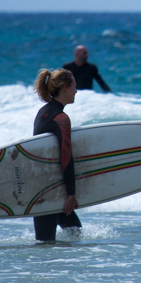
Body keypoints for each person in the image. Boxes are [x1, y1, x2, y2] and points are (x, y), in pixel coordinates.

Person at [32, 67, 83, 241]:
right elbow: (66, 157)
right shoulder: (61, 119)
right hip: (48, 191)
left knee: (75, 231)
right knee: (45, 243)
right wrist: (71, 195)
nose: (76, 90)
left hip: (44, 185)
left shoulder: (44, 112)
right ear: (65, 88)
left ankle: (62, 266)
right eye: (74, 86)